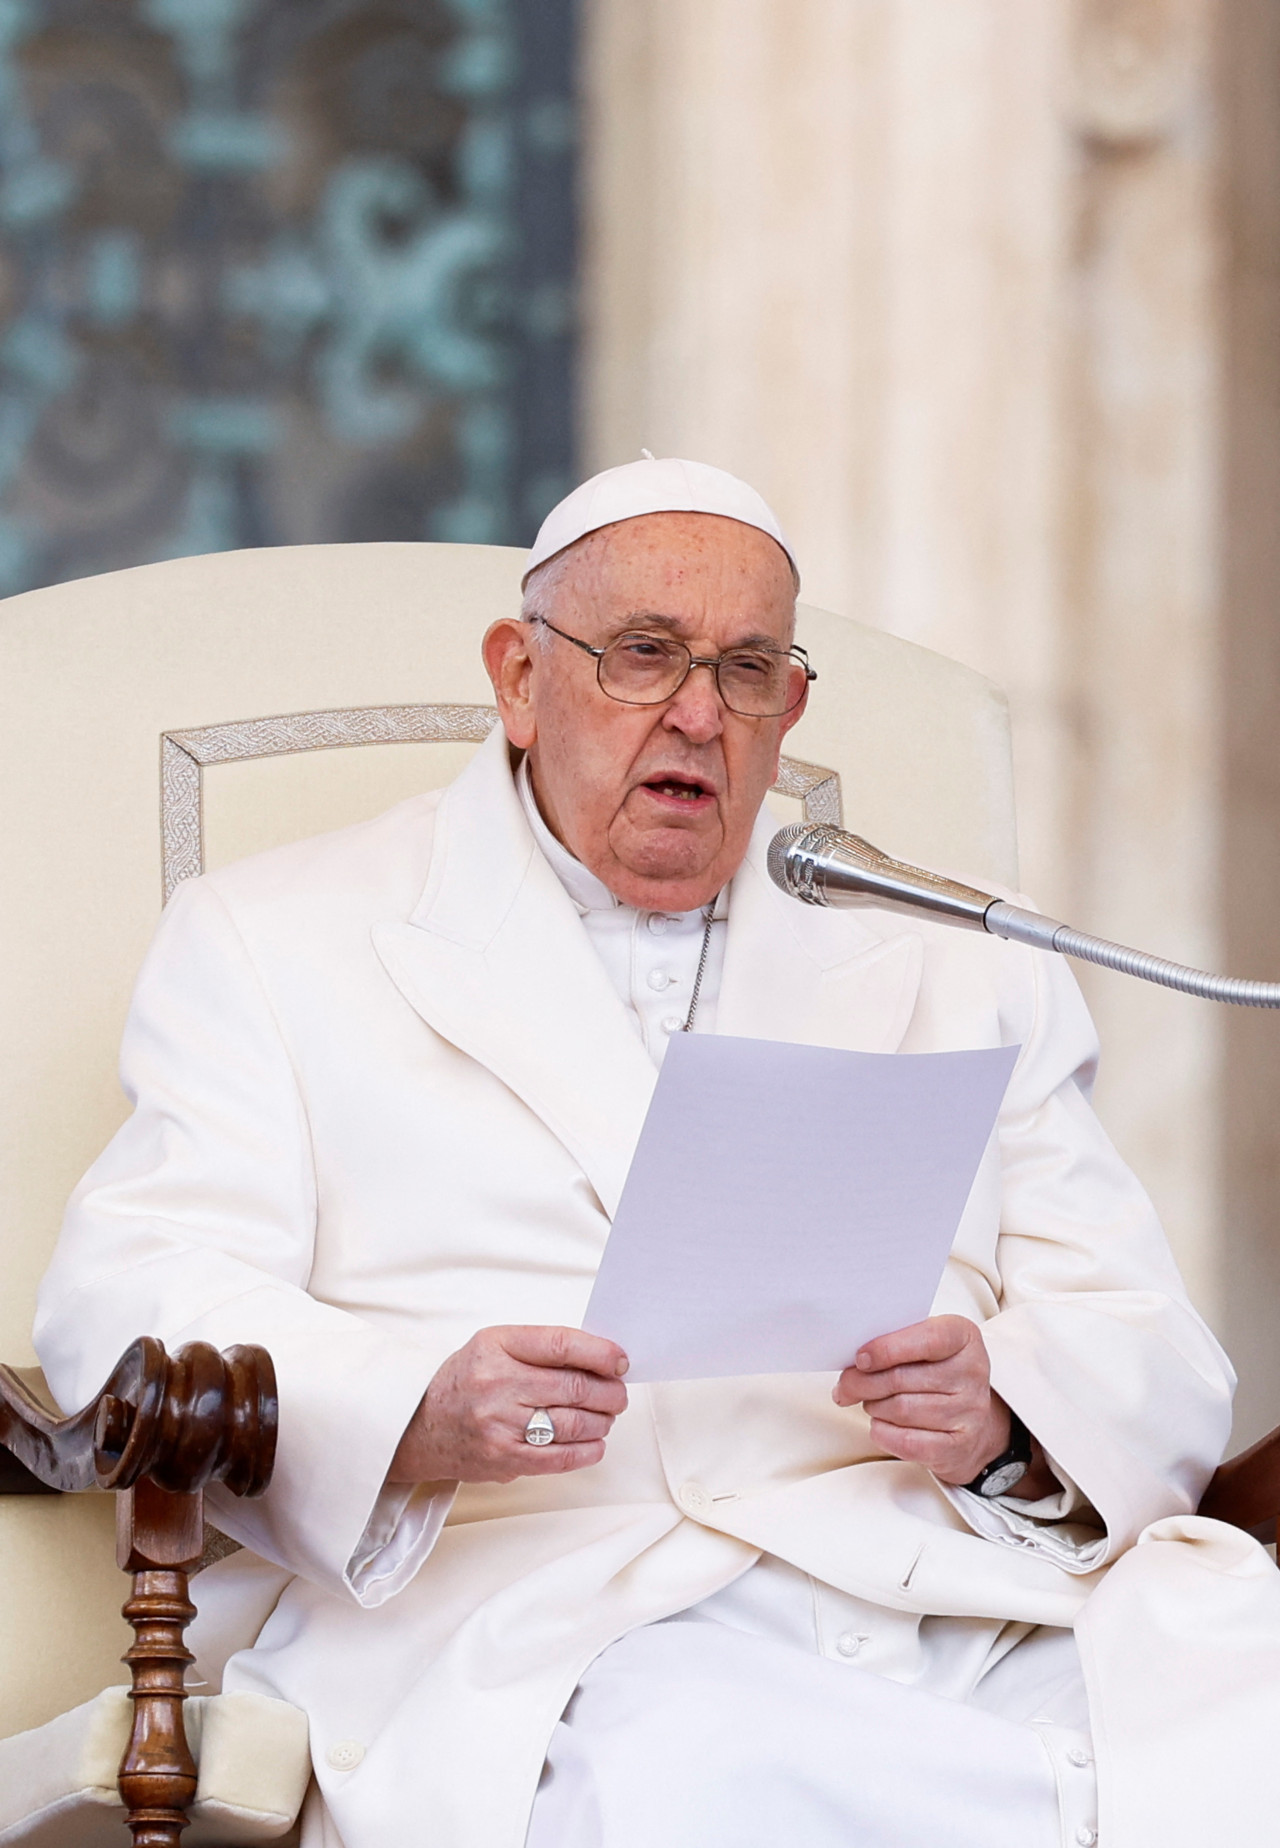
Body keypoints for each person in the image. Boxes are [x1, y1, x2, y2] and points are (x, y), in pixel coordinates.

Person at [34, 459, 1280, 1848]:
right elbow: (128, 1303)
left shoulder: (962, 960)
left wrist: (1004, 1420)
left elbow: (1154, 1347)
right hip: (555, 1618)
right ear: (519, 677)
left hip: (953, 1597)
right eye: (645, 656)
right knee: (708, 1779)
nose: (700, 711)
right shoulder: (275, 939)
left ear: (790, 709)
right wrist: (418, 1407)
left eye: (748, 670)